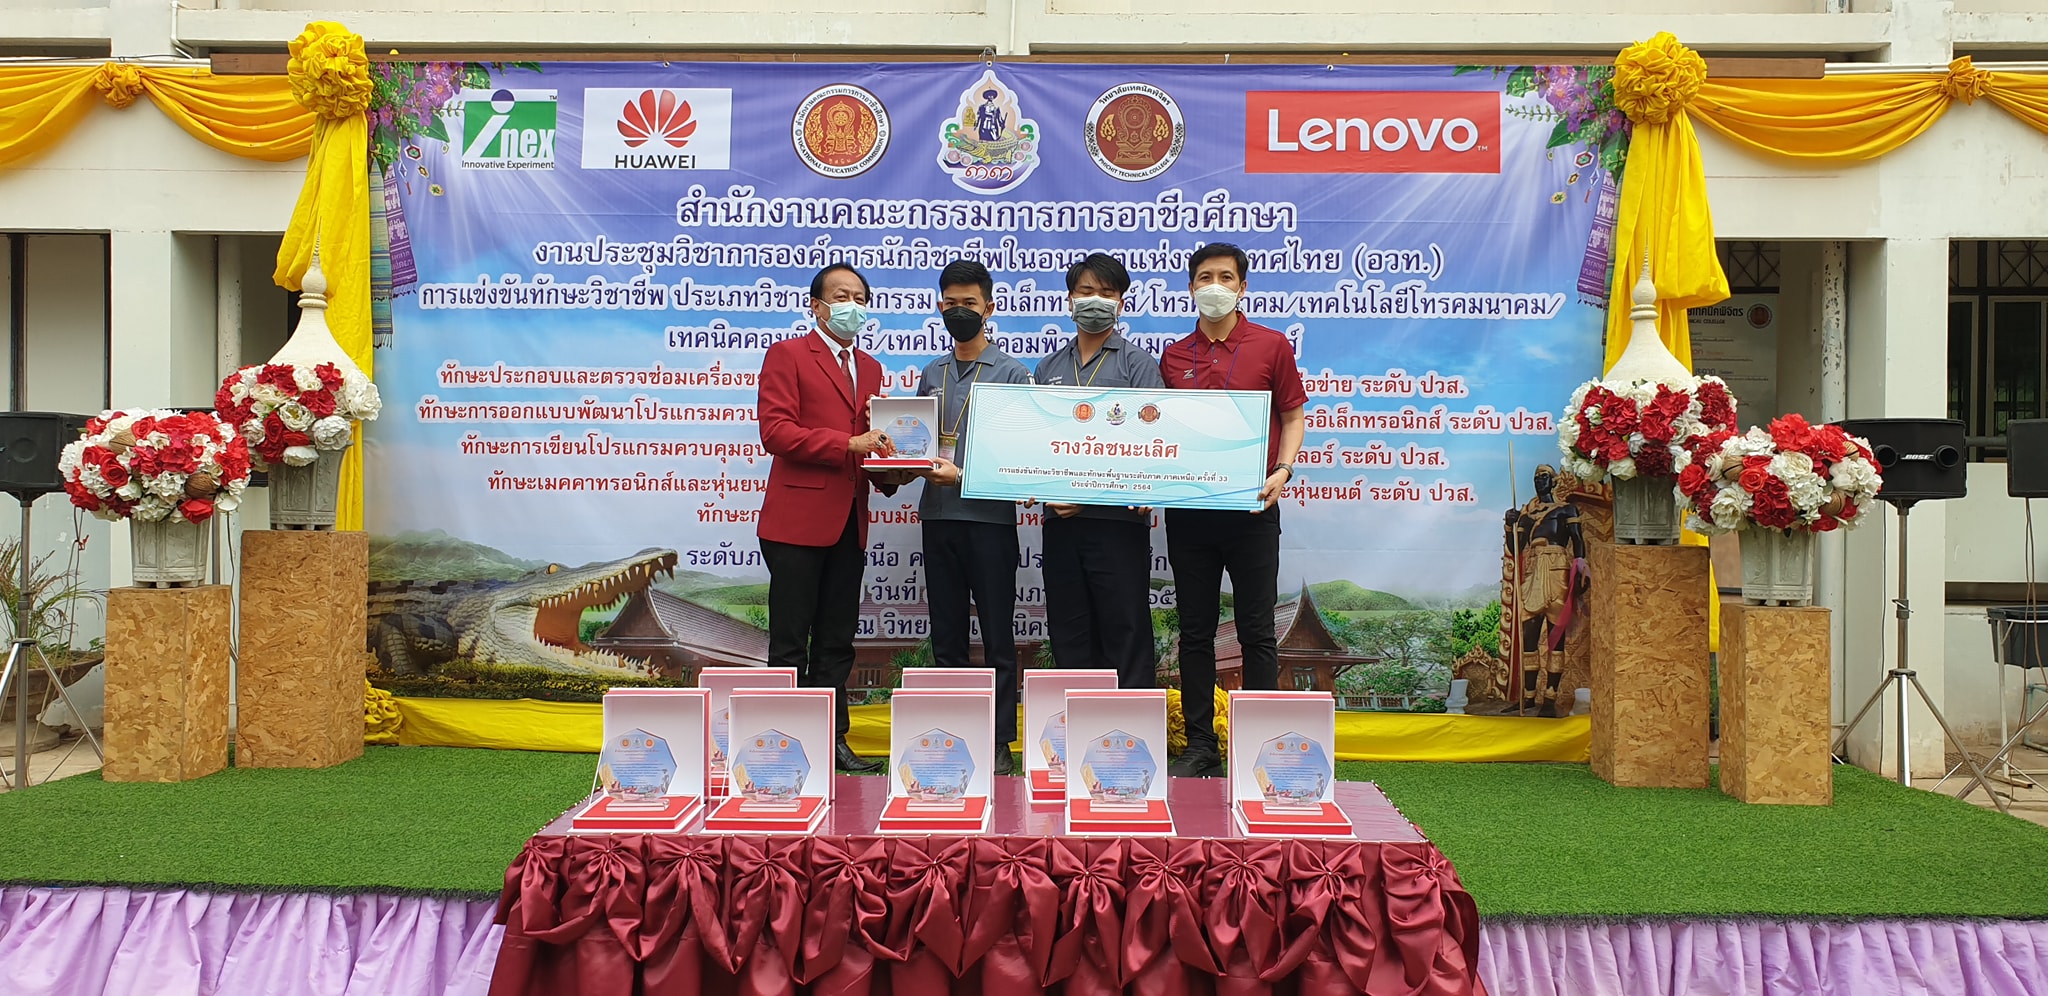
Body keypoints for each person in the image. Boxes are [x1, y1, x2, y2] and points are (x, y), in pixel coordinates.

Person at [1159, 243, 1307, 777]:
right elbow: (1161, 432)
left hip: (1252, 511)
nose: (1215, 286)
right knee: (1196, 632)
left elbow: (1293, 417)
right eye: (1205, 277)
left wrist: (1283, 470)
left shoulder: (1271, 346)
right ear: (1191, 288)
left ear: (1243, 287)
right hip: (1190, 514)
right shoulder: (1174, 356)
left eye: (1226, 277)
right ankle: (1200, 744)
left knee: (1257, 629)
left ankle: (1257, 744)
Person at [756, 262, 901, 773]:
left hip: (850, 522)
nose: (852, 306)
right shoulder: (788, 355)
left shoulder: (872, 368)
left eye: (860, 298)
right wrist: (848, 443)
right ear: (816, 306)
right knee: (790, 640)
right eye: (841, 296)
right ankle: (782, 745)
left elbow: (872, 444)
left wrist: (896, 468)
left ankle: (833, 740)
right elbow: (776, 431)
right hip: (797, 521)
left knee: (837, 640)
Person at [913, 259, 1031, 773]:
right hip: (937, 518)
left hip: (990, 523)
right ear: (940, 306)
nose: (959, 311)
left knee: (998, 635)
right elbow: (916, 442)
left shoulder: (1012, 373)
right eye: (951, 303)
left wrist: (961, 475)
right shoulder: (931, 373)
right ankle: (953, 736)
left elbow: (1018, 455)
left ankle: (1000, 739)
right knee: (947, 634)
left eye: (970, 303)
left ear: (989, 308)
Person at [1033, 253, 1166, 690]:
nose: (1096, 300)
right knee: (1068, 630)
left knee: (1124, 627)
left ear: (1121, 303)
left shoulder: (1138, 365)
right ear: (1070, 300)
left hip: (1117, 523)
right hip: (1060, 521)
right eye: (1086, 291)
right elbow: (1037, 444)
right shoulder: (1049, 368)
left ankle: (1131, 726)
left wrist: (1090, 495)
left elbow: (1152, 443)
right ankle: (1076, 724)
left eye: (1106, 293)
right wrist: (1042, 488)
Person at [1504, 464, 1587, 717]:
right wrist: (1509, 525)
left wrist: (1580, 569)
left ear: (1553, 481)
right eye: (1536, 478)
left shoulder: (1566, 510)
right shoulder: (1527, 516)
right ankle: (1529, 696)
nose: (1539, 481)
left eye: (1544, 477)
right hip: (1533, 571)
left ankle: (1550, 697)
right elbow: (1516, 548)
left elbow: (1578, 541)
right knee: (1529, 635)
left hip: (1556, 569)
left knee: (1555, 635)